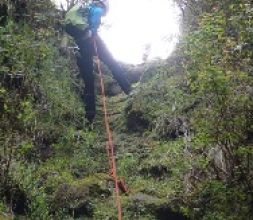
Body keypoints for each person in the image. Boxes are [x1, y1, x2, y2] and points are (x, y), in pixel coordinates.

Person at [65, 0, 131, 123]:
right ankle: (129, 90)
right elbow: (95, 19)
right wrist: (93, 31)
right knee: (112, 62)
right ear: (104, 6)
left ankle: (90, 115)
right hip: (91, 39)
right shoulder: (97, 8)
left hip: (81, 42)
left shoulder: (83, 8)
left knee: (88, 77)